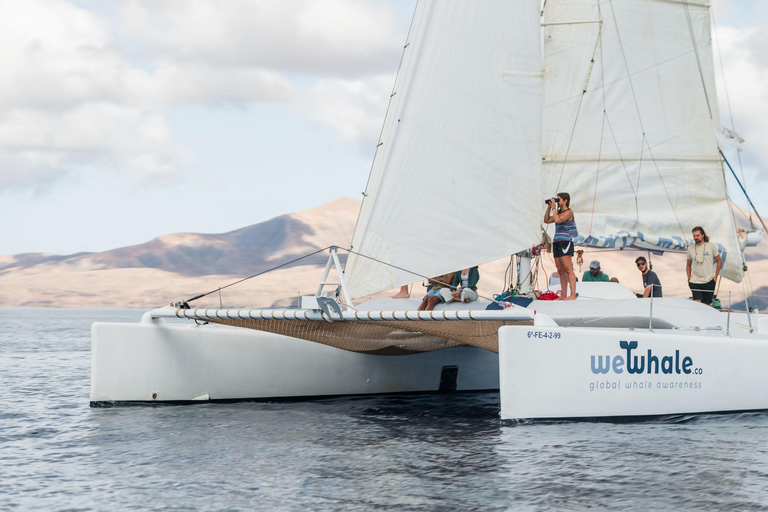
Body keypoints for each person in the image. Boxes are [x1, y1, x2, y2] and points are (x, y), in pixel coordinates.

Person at [544, 192, 578, 300]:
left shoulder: (568, 212)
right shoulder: (557, 213)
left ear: (565, 201)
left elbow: (558, 219)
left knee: (568, 268)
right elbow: (547, 220)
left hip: (565, 242)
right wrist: (549, 208)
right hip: (557, 242)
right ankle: (563, 294)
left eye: (559, 200)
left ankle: (572, 294)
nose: (557, 202)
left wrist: (554, 208)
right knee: (560, 270)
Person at [686, 226, 721, 305]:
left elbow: (719, 261)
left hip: (708, 281)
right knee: (697, 305)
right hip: (695, 282)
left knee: (707, 306)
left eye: (697, 235)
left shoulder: (711, 246)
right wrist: (689, 278)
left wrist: (715, 277)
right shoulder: (690, 248)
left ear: (702, 235)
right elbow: (688, 265)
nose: (695, 237)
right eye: (694, 236)